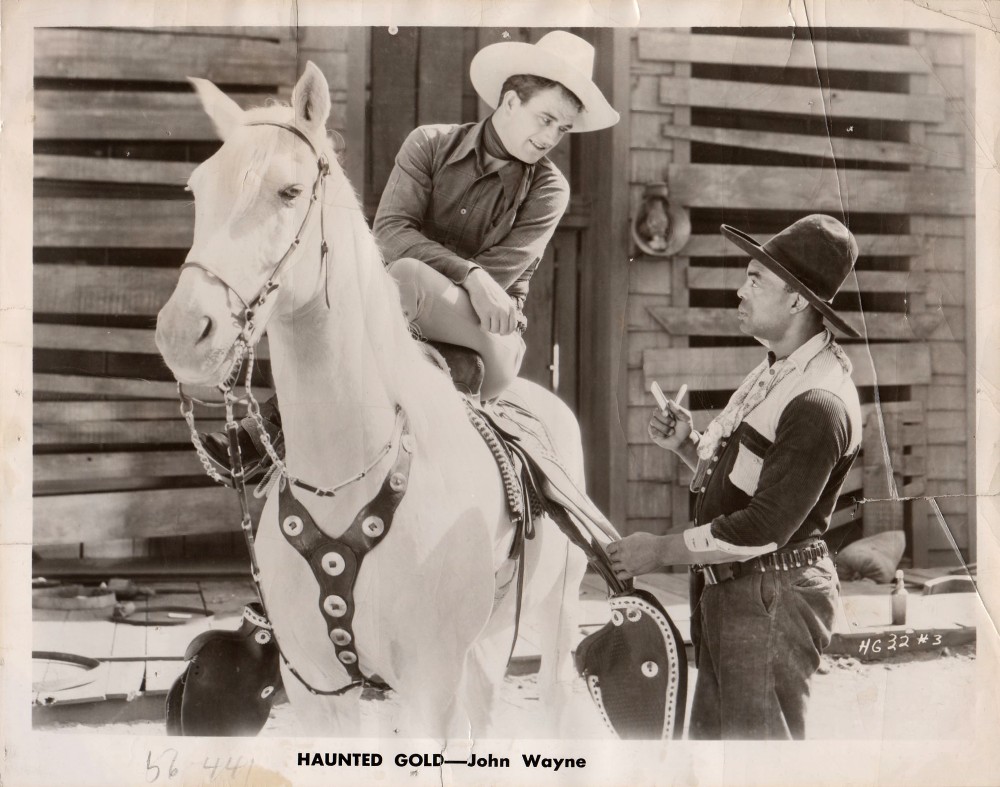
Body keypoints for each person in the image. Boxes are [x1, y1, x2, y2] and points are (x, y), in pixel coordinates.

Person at [202, 30, 619, 477]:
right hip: (397, 317)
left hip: (488, 336)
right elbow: (389, 232)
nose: (551, 137)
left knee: (403, 278)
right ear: (511, 102)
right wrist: (472, 276)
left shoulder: (550, 188)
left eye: (563, 129)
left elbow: (495, 282)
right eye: (546, 119)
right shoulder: (430, 144)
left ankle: (268, 430)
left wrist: (478, 280)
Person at [606, 214, 864, 740]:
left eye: (755, 279)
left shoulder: (819, 401)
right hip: (740, 593)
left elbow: (762, 528)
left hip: (772, 597)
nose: (739, 290)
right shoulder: (777, 367)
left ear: (797, 301)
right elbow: (749, 482)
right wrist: (688, 446)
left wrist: (657, 551)